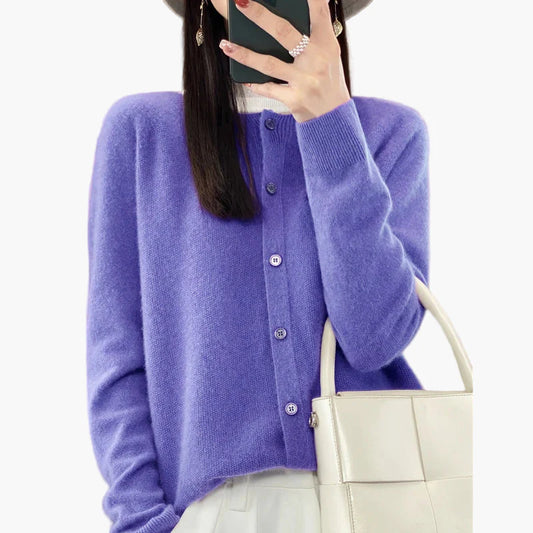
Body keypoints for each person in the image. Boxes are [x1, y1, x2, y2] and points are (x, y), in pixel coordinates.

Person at [86, 0, 431, 532]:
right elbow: (117, 356)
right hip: (216, 513)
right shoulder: (141, 133)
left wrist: (331, 126)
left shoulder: (391, 133)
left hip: (376, 507)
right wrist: (142, 522)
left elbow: (376, 338)